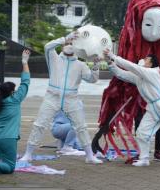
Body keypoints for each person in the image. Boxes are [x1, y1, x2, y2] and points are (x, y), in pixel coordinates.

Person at [93, 0, 160, 162]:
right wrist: (112, 63)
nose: (154, 32)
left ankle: (157, 150)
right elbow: (125, 65)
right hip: (139, 85)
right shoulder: (132, 38)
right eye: (148, 24)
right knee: (140, 117)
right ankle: (143, 150)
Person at [19, 32, 102, 164]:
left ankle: (90, 156)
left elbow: (92, 79)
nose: (69, 45)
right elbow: (47, 47)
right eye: (67, 43)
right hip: (52, 97)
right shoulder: (54, 58)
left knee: (81, 126)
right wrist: (64, 38)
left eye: (71, 44)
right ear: (63, 45)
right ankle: (28, 153)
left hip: (72, 99)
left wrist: (96, 65)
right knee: (39, 124)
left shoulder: (80, 65)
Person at [0, 50, 31, 176]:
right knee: (10, 167)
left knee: (0, 146)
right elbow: (25, 82)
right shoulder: (15, 99)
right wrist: (24, 62)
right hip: (7, 138)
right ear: (11, 92)